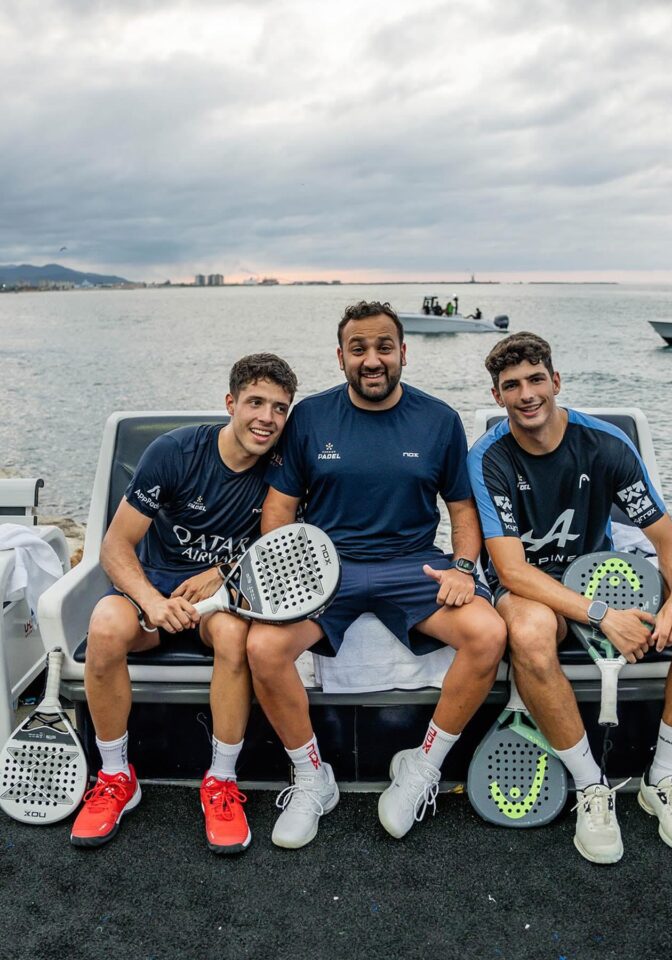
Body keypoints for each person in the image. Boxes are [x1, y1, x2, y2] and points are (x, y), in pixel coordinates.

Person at [246, 300, 507, 849]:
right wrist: (283, 572)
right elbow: (279, 509)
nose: (372, 359)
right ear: (340, 357)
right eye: (358, 348)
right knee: (265, 648)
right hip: (326, 570)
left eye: (384, 346)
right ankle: (312, 776)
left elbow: (463, 511)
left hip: (412, 564)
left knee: (488, 634)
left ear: (403, 353)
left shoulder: (438, 420)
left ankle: (423, 765)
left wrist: (463, 567)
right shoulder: (310, 419)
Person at [468, 331, 672, 865]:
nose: (526, 394)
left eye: (536, 379)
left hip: (599, 572)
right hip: (532, 586)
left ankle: (664, 779)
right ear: (498, 397)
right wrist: (603, 616)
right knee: (530, 631)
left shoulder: (605, 443)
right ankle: (591, 786)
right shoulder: (488, 457)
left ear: (555, 381)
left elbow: (666, 535)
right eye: (511, 385)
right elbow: (512, 570)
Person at [70, 354, 298, 853]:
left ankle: (220, 781)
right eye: (255, 402)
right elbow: (114, 546)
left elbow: (284, 551)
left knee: (236, 635)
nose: (266, 418)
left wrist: (221, 573)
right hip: (154, 595)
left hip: (220, 601)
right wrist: (150, 602)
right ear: (230, 403)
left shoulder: (283, 471)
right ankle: (114, 776)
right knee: (105, 623)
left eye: (279, 409)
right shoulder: (175, 451)